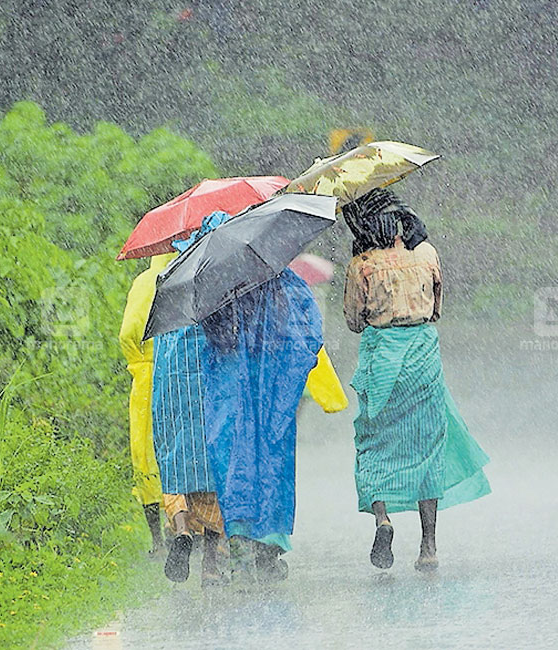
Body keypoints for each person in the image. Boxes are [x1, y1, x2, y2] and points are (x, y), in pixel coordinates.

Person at [342, 188, 491, 572]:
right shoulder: (427, 253)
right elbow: (436, 309)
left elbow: (354, 321)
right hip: (423, 361)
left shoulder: (362, 263)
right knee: (428, 447)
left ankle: (383, 519)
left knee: (373, 446)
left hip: (381, 363)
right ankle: (428, 546)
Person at [200, 269, 346, 582]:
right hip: (271, 388)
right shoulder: (283, 283)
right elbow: (307, 336)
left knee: (232, 462)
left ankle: (239, 545)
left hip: (228, 386)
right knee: (270, 462)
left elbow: (211, 336)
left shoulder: (214, 283)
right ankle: (269, 545)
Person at [151, 316, 227, 586]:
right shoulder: (217, 293)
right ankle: (210, 565)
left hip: (173, 386)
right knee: (211, 469)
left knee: (174, 463)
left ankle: (183, 530)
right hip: (209, 386)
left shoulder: (171, 300)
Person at [118, 253, 172, 556]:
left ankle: (157, 541)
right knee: (181, 451)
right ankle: (187, 525)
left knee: (146, 455)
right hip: (182, 373)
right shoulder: (193, 273)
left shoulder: (145, 282)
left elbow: (128, 333)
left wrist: (138, 361)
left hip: (147, 378)